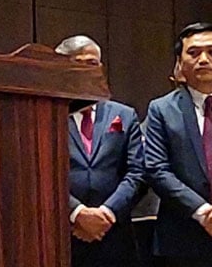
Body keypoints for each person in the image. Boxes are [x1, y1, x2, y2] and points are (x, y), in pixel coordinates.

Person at [55, 35, 146, 267]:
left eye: (92, 63)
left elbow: (137, 173)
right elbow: (37, 176)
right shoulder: (45, 115)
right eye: (77, 63)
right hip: (61, 235)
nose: (86, 70)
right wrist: (77, 213)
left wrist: (107, 213)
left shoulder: (124, 114)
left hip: (115, 235)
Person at [145, 22, 212, 266]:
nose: (203, 60)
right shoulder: (161, 109)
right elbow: (156, 169)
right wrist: (203, 212)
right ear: (180, 62)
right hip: (183, 238)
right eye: (193, 53)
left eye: (211, 52)